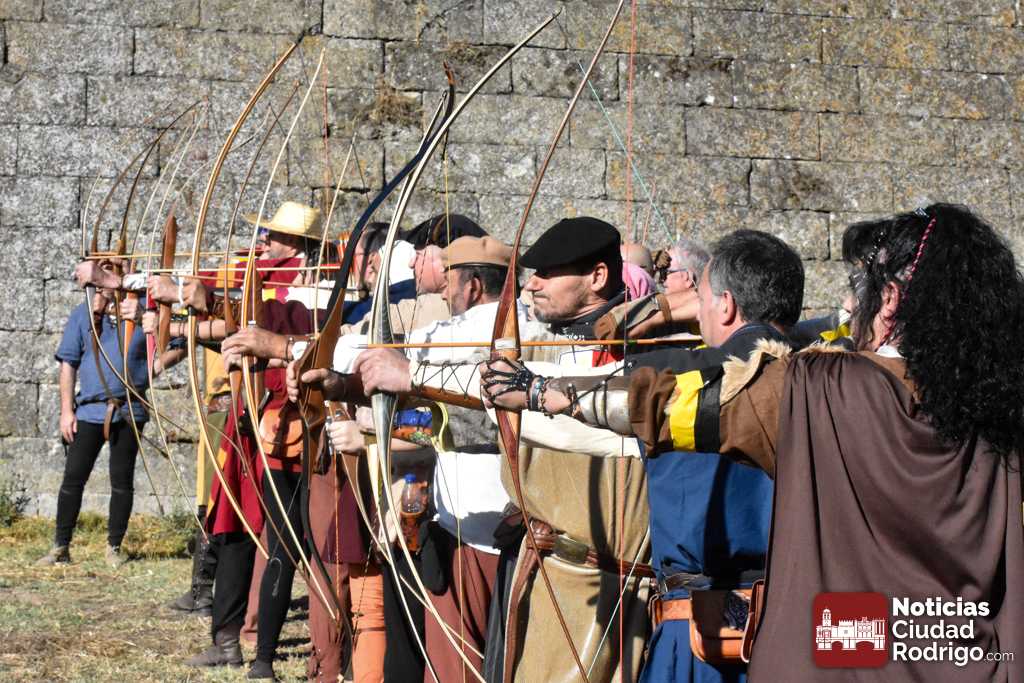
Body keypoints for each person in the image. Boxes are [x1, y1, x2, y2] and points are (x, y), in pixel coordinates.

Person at [483, 204, 1024, 682]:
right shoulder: (999, 411)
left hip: (854, 651)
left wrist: (541, 392)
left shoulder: (829, 391)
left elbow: (675, 407)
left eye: (860, 286)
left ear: (889, 300)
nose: (849, 301)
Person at [38, 288, 149, 569]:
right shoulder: (83, 313)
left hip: (129, 411)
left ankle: (114, 547)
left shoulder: (145, 309)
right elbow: (68, 363)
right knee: (73, 478)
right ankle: (61, 546)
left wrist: (155, 366)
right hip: (89, 410)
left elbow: (177, 342)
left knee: (121, 481)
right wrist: (66, 411)